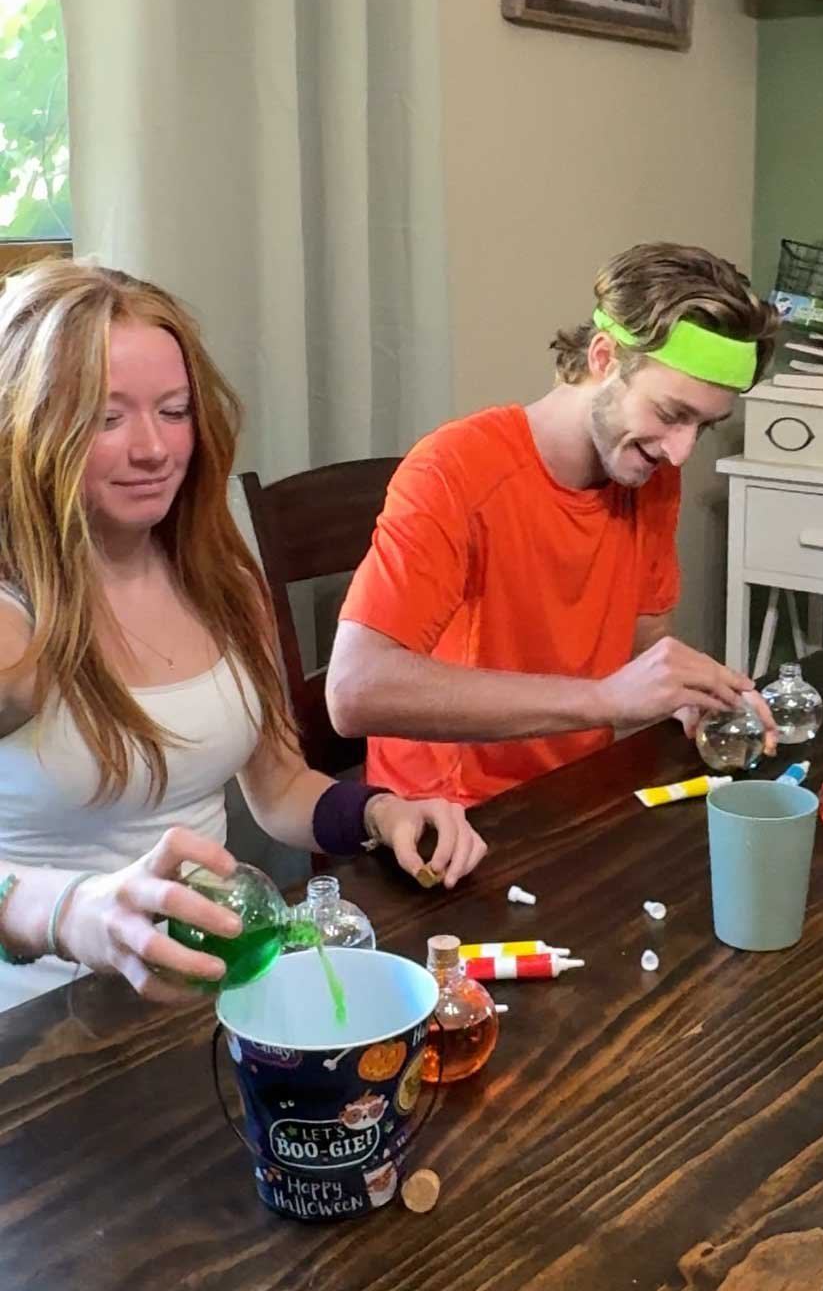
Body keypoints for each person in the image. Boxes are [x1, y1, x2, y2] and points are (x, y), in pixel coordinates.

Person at [0, 262, 486, 1013]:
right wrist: (72, 912)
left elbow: (281, 788)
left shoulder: (217, 578)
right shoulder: (13, 620)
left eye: (174, 411)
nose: (155, 449)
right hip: (39, 1027)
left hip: (204, 996)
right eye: (106, 417)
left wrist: (379, 812)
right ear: (28, 425)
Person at [327, 241, 780, 806]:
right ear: (602, 357)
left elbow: (641, 633)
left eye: (704, 426)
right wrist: (606, 701)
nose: (681, 451)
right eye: (670, 414)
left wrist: (685, 688)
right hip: (450, 821)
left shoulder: (649, 470)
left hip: (578, 794)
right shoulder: (454, 470)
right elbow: (354, 691)